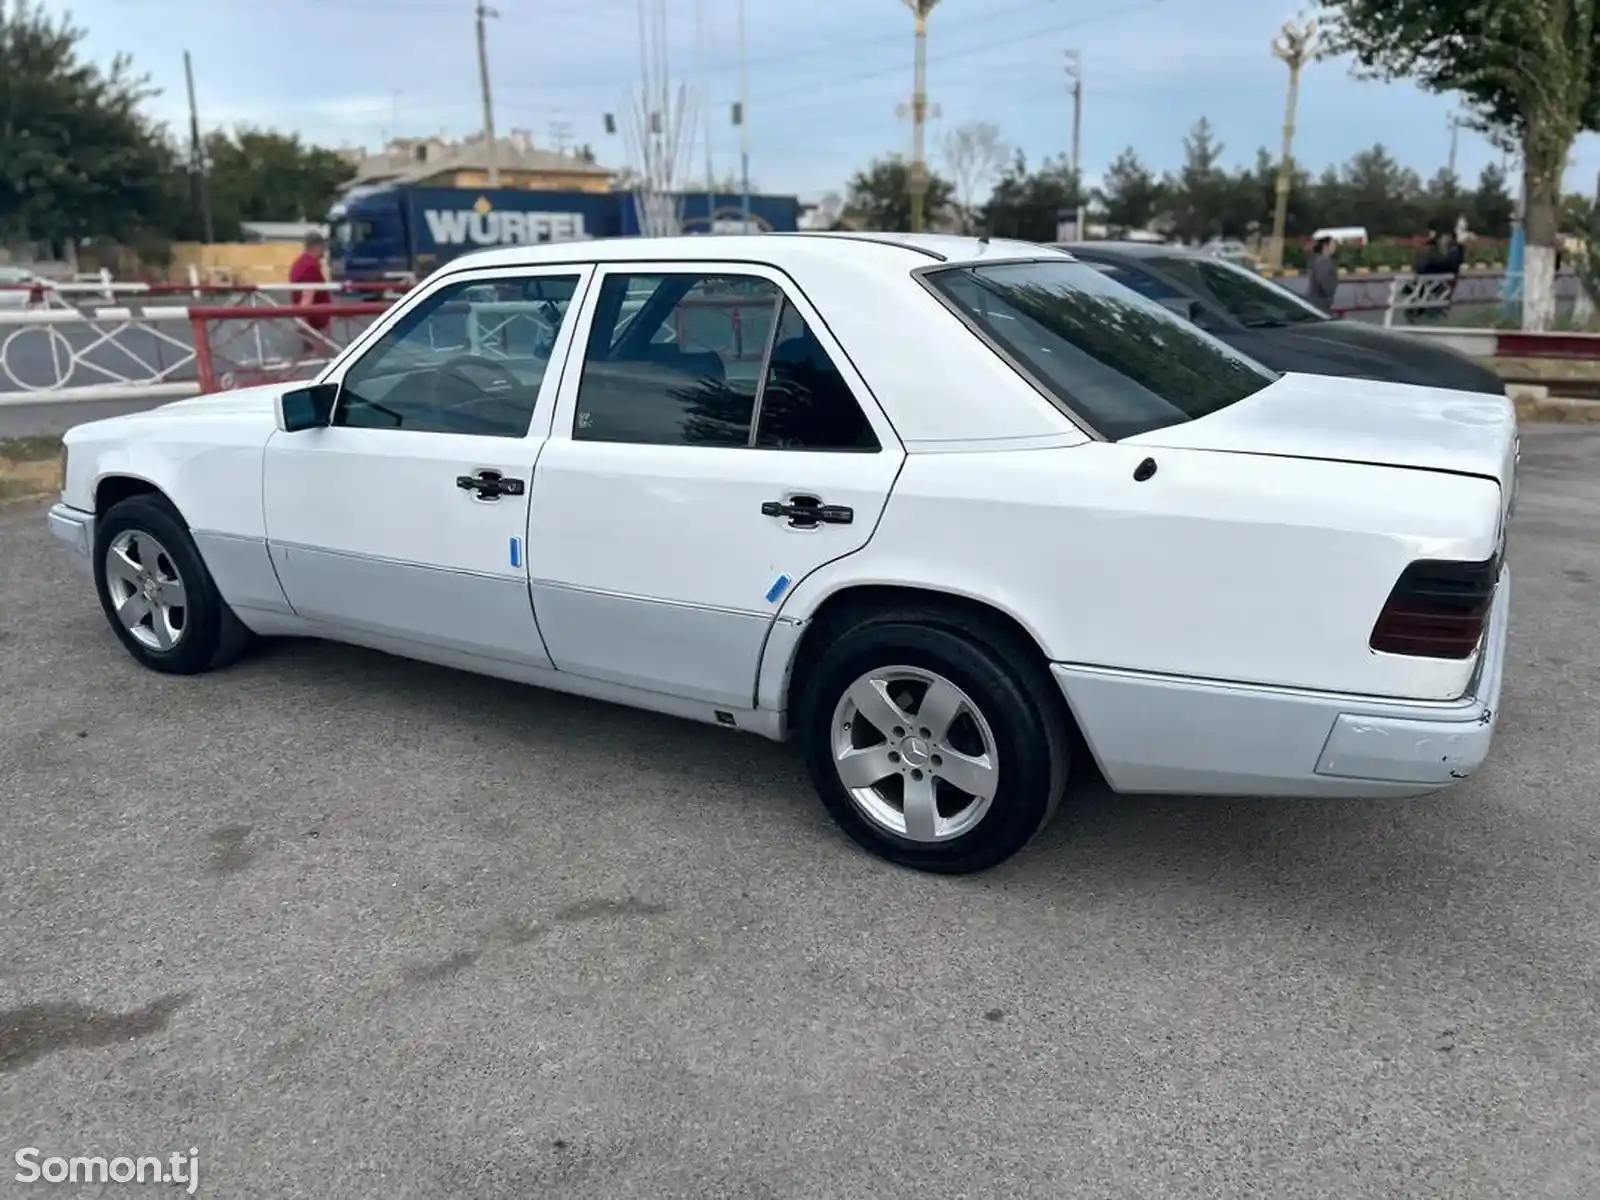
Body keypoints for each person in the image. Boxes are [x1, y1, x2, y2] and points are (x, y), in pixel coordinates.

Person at [288, 231, 333, 360]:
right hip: (315, 325)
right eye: (323, 247)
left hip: (311, 323)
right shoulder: (310, 266)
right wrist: (303, 325)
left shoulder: (299, 264)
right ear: (316, 246)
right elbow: (307, 298)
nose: (324, 252)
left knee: (308, 361)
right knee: (318, 362)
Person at [1306, 236, 1340, 313]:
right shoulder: (1323, 262)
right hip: (1319, 302)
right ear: (1325, 246)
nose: (1335, 247)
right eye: (1333, 244)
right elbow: (1324, 282)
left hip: (1321, 301)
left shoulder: (1326, 260)